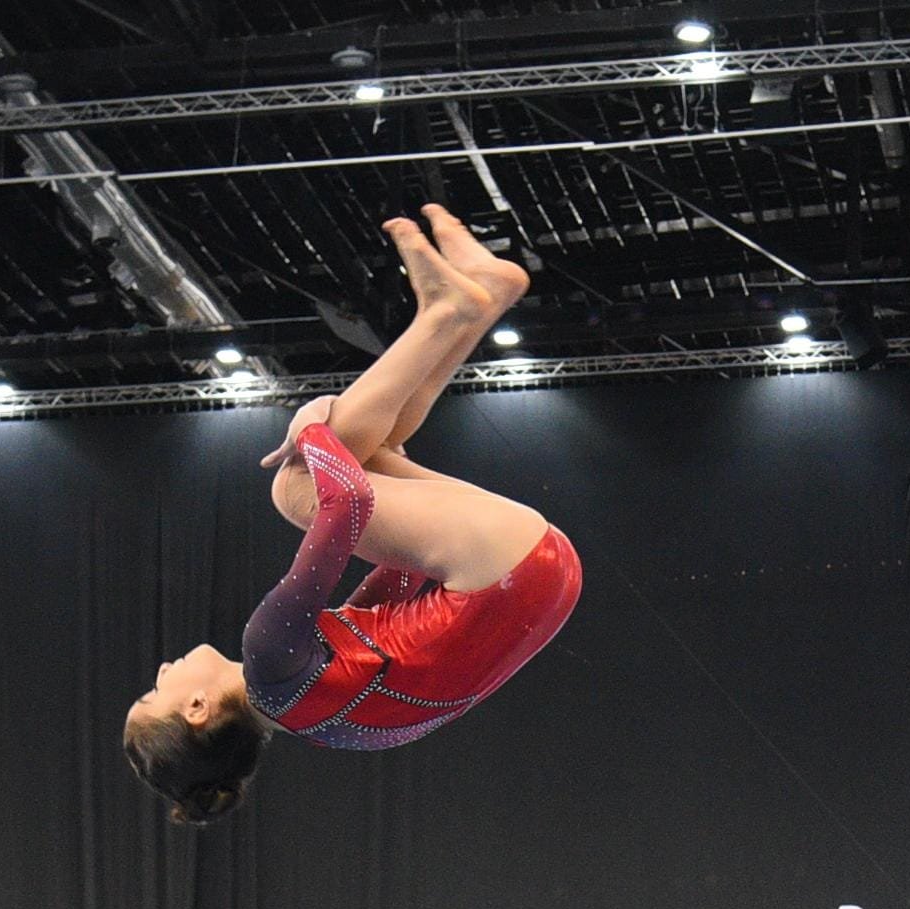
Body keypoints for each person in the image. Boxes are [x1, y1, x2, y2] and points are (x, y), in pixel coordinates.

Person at [123, 204, 582, 825]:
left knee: (369, 450)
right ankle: (450, 311)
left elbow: (397, 578)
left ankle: (479, 300)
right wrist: (310, 427)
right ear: (198, 707)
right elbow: (353, 505)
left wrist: (353, 457)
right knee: (294, 486)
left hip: (539, 575)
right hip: (500, 570)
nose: (160, 670)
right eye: (156, 693)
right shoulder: (266, 655)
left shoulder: (316, 717)